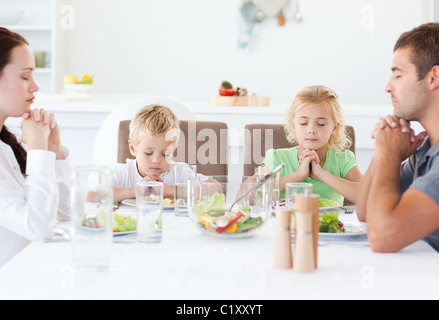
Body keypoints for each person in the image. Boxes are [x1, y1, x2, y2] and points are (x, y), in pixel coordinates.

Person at [356, 23, 439, 253]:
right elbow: (365, 213)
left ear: (433, 78)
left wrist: (390, 154)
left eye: (398, 75)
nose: (387, 87)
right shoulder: (426, 147)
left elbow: (382, 236)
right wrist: (384, 149)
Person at [0, 28, 69, 266]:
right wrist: (38, 149)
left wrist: (54, 151)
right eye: (25, 76)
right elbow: (40, 229)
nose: (35, 87)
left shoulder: (7, 145)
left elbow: (63, 215)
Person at [262, 85, 363, 205]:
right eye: (303, 123)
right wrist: (298, 175)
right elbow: (248, 195)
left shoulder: (343, 160)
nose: (311, 130)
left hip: (328, 223)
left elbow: (368, 197)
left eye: (321, 124)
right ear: (294, 126)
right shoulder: (277, 158)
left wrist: (321, 174)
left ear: (334, 128)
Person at [112, 104, 217, 203]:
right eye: (148, 153)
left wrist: (171, 191)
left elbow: (217, 190)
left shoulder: (180, 172)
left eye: (165, 154)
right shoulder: (123, 173)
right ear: (132, 148)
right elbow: (96, 194)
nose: (157, 160)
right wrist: (135, 191)